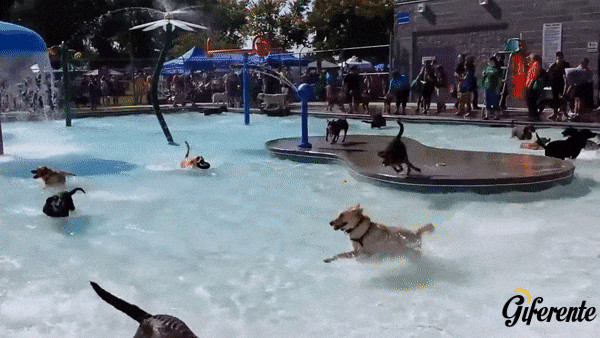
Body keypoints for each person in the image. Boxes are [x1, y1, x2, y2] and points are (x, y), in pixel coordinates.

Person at [547, 51, 570, 121]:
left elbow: (568, 73)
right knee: (555, 99)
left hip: (562, 84)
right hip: (554, 84)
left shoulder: (566, 64)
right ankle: (555, 113)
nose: (559, 59)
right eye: (558, 58)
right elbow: (548, 73)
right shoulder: (553, 65)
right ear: (556, 58)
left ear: (562, 58)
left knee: (564, 98)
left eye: (561, 58)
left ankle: (565, 113)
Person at [524, 53, 543, 121]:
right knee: (530, 102)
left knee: (531, 102)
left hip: (531, 86)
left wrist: (530, 84)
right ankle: (532, 115)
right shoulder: (532, 65)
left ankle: (533, 116)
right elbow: (527, 64)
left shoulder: (536, 65)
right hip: (529, 84)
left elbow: (534, 76)